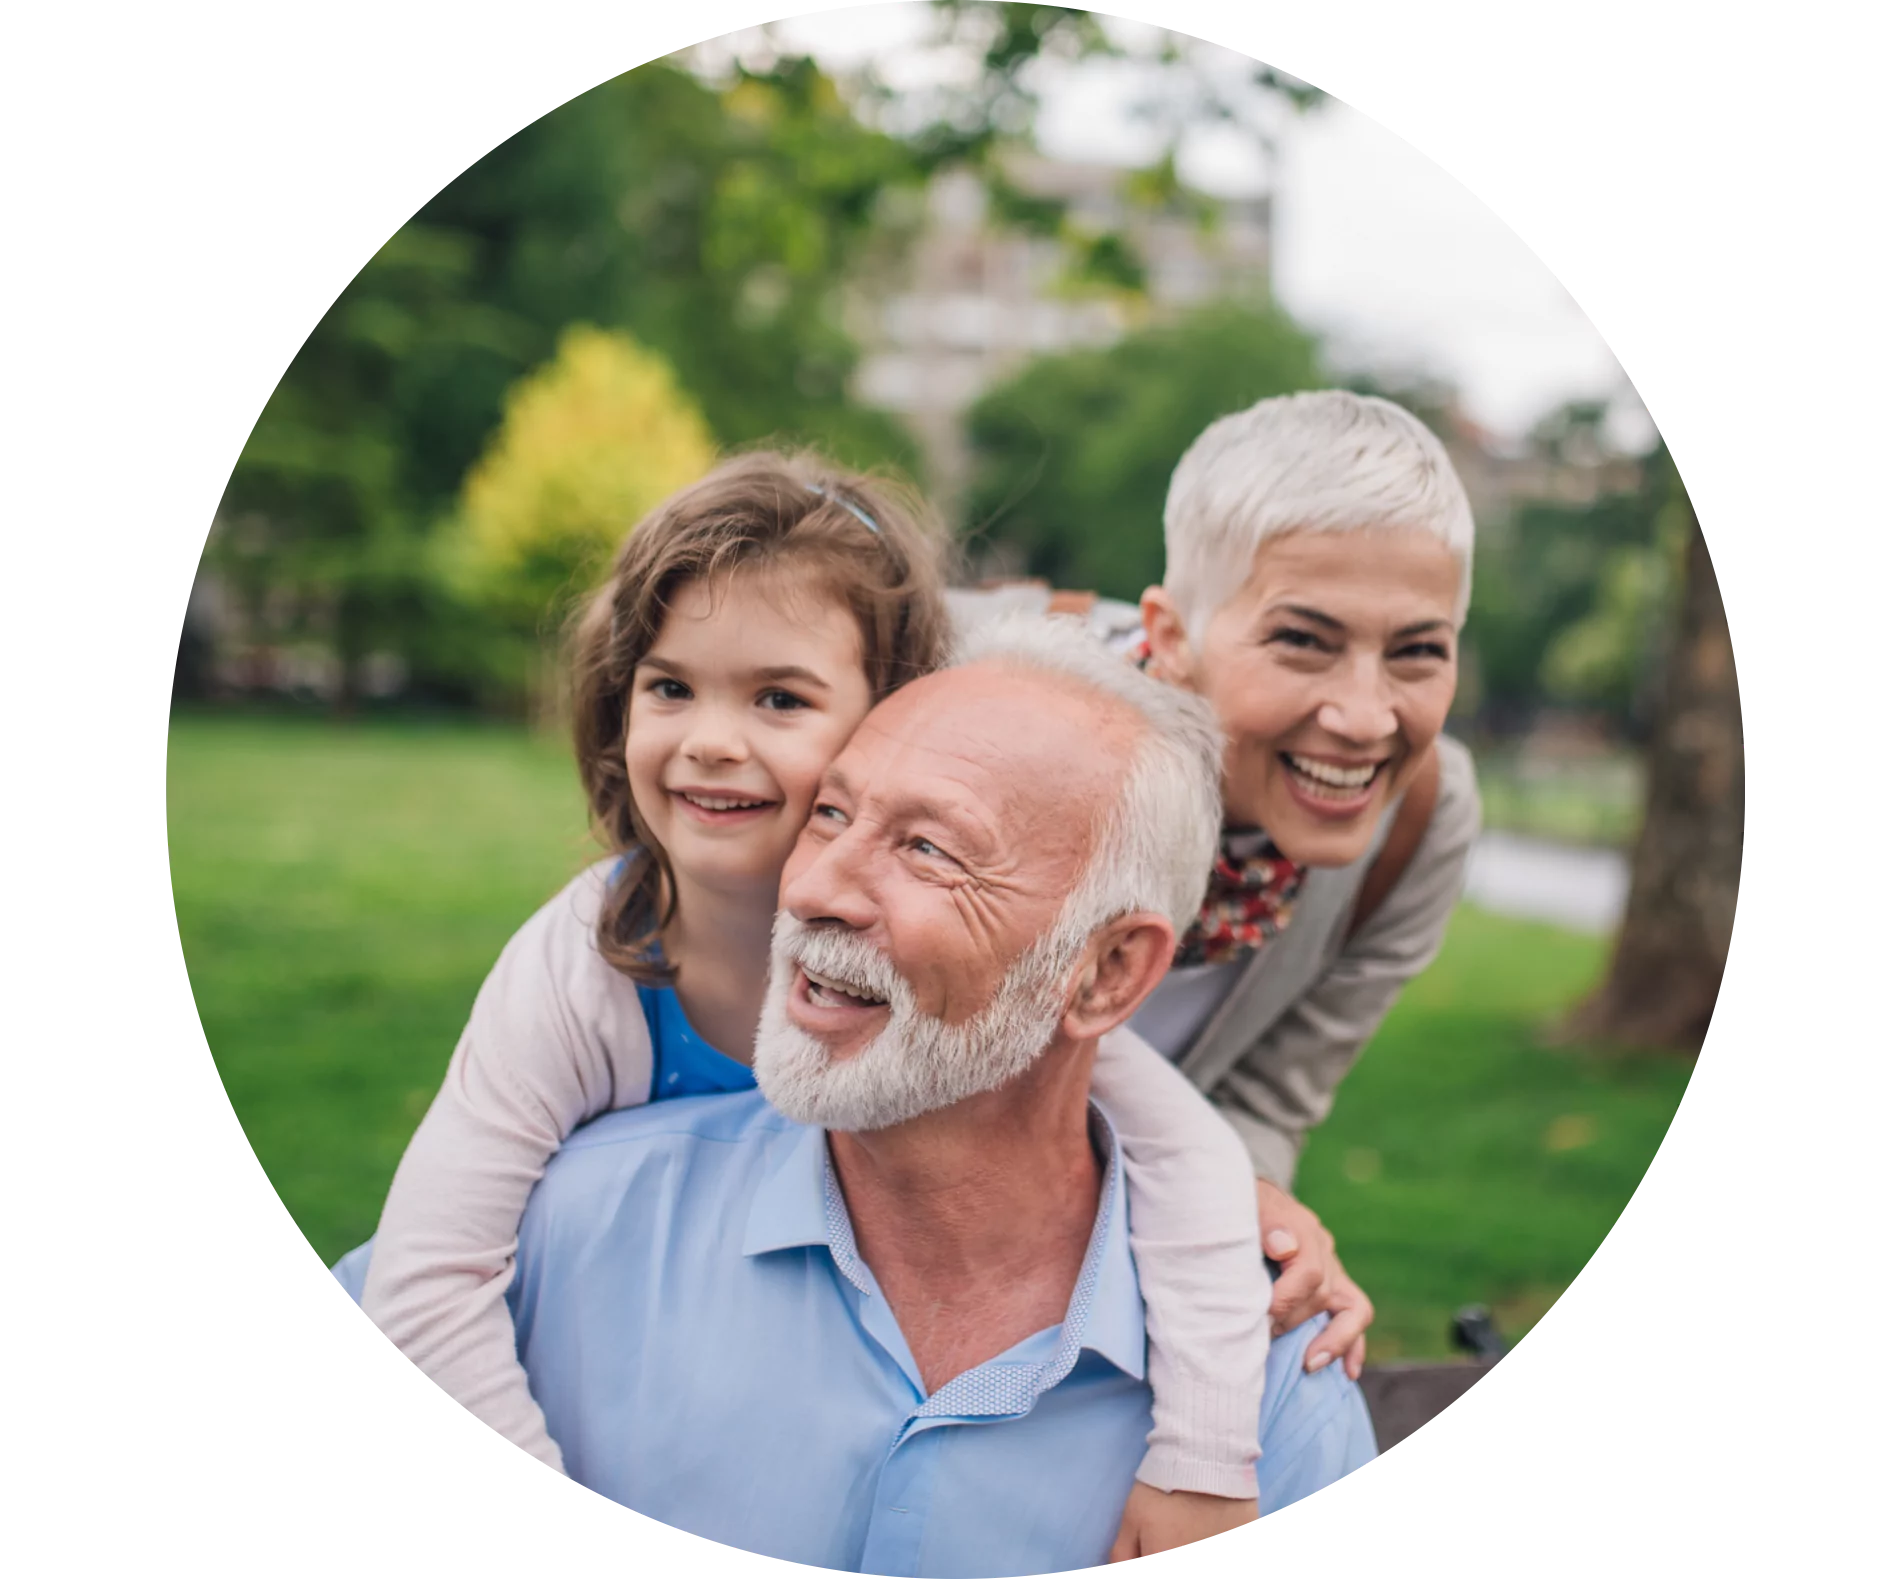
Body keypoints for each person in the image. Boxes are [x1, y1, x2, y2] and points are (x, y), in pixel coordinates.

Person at [354, 449, 1284, 1559]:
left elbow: (1182, 1157)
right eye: (668, 686)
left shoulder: (991, 991)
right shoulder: (590, 959)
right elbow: (426, 1277)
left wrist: (1202, 1456)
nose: (709, 738)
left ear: (893, 717)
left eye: (779, 698)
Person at [946, 389, 1485, 1380]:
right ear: (1171, 631)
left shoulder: (1420, 823)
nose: (1366, 718)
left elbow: (1269, 1100)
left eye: (1416, 650)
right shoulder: (971, 701)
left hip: (1096, 1248)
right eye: (1303, 640)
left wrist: (1248, 1212)